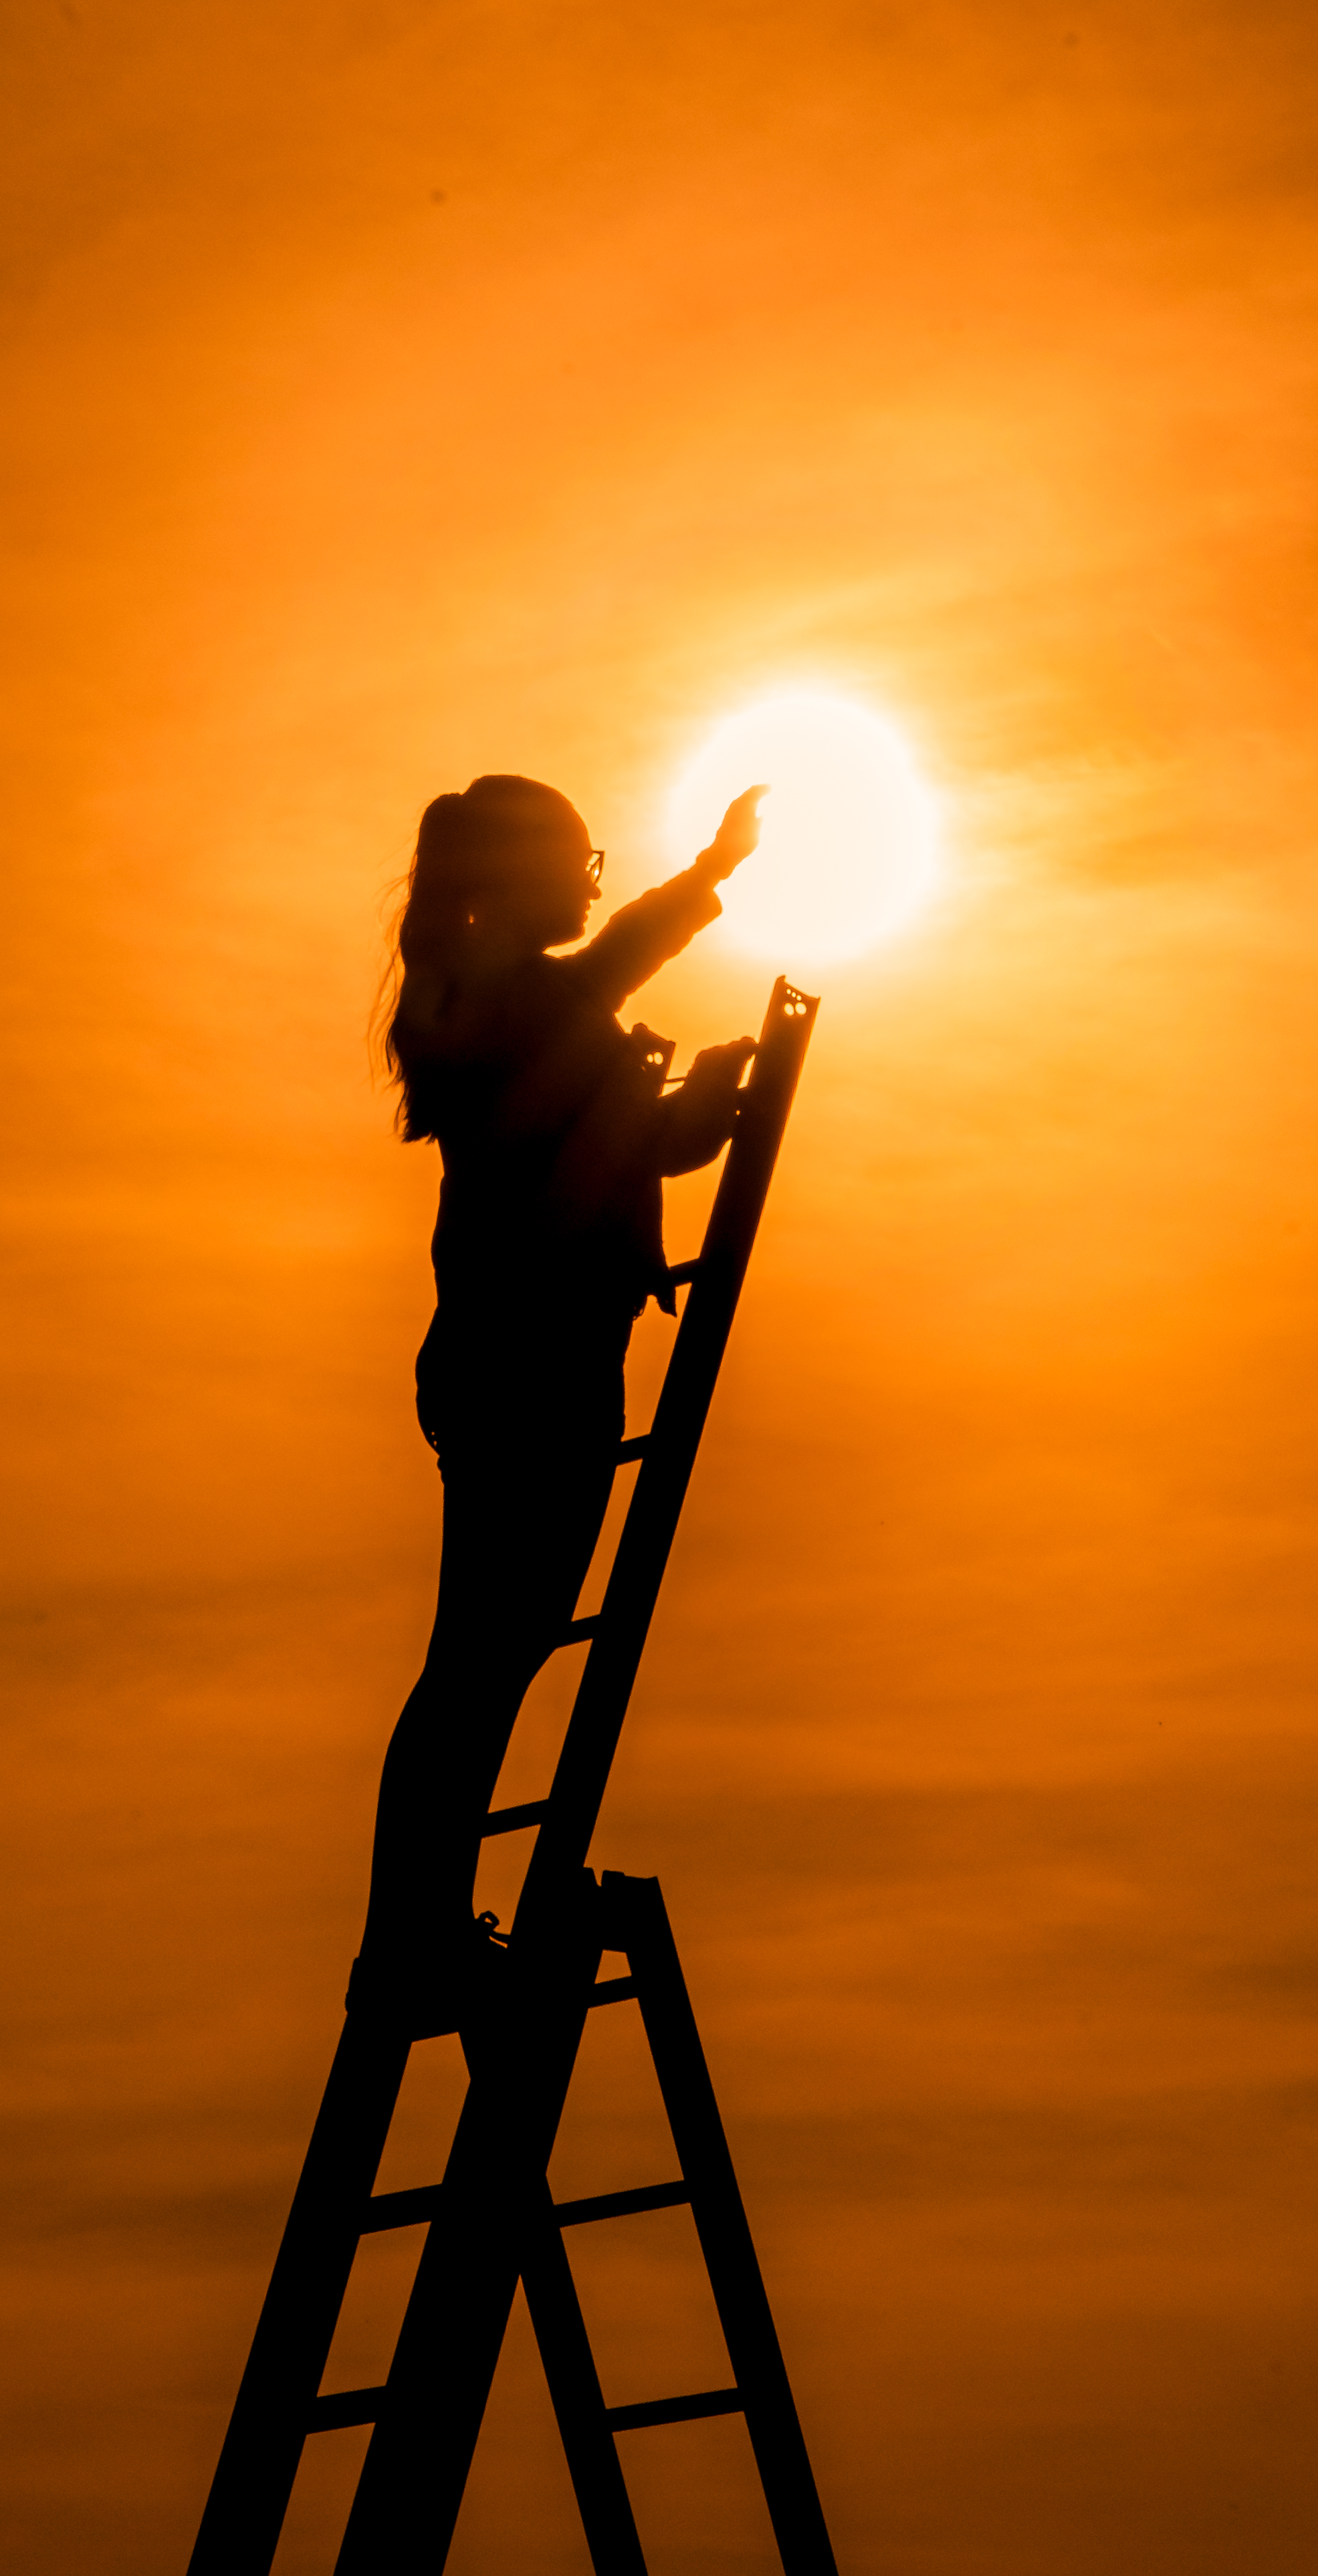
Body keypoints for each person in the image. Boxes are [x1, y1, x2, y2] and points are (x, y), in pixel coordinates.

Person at [352, 771, 764, 2025]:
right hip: (531, 1362)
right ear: (527, 877)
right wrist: (692, 1110)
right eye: (581, 863)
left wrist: (707, 874)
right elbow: (603, 1149)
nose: (592, 887)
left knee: (485, 1655)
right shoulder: (517, 1004)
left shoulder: (503, 995)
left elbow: (614, 991)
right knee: (484, 1658)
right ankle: (413, 1933)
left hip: (513, 1355)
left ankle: (415, 1925)